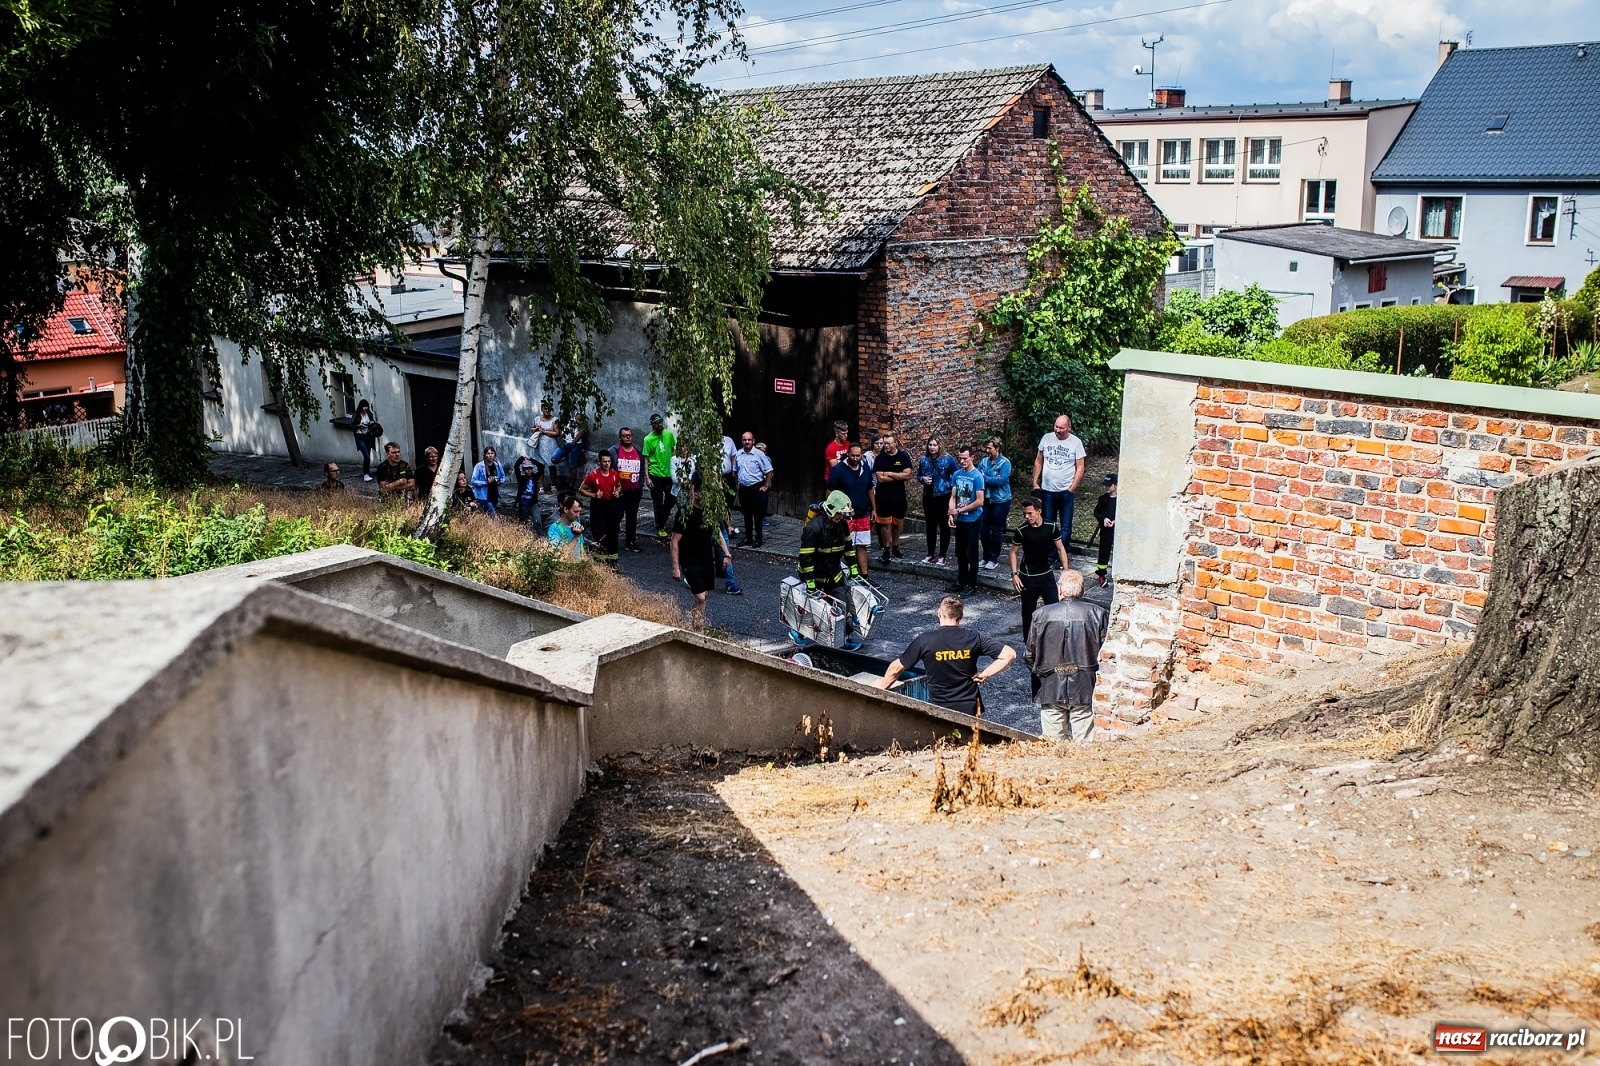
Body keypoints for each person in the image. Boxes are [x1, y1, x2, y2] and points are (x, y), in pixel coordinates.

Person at [874, 595, 1016, 716]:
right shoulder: (973, 637)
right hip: (970, 707)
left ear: (939, 613)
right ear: (961, 616)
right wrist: (986, 674)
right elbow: (1009, 654)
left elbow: (895, 669)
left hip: (940, 709)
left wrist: (881, 687)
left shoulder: (925, 640)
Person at [1027, 569, 1107, 742]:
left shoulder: (1040, 615)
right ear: (1082, 590)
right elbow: (1105, 656)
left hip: (1051, 685)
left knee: (1053, 744)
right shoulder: (1097, 613)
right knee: (1084, 745)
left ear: (1060, 590)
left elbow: (1029, 655)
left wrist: (1044, 675)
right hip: (1085, 687)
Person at [1009, 496, 1069, 694]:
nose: (1027, 517)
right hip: (1028, 577)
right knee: (1029, 613)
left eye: (1030, 513)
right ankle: (1030, 649)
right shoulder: (1021, 530)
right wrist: (1014, 574)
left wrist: (1066, 573)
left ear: (1039, 511)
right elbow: (1013, 552)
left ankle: (1056, 644)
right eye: (1025, 514)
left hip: (1046, 575)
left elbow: (1060, 548)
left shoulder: (1051, 527)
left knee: (1055, 609)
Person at [670, 477, 733, 630]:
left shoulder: (709, 512)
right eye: (704, 494)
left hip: (706, 559)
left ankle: (696, 626)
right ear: (696, 494)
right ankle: (694, 626)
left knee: (704, 596)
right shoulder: (684, 513)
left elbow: (717, 533)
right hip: (689, 560)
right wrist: (676, 567)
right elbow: (674, 542)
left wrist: (727, 554)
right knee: (700, 596)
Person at [1032, 414, 1086, 552]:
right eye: (1056, 426)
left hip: (1065, 491)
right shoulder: (1046, 438)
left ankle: (1058, 554)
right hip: (1047, 490)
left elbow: (1080, 468)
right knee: (1048, 524)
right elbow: (1038, 461)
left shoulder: (1076, 443)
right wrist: (1035, 482)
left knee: (1066, 526)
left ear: (1069, 428)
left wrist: (1072, 488)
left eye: (1061, 428)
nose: (1058, 430)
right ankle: (1049, 554)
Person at [827, 442, 875, 576]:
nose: (855, 458)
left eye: (858, 456)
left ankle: (864, 575)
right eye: (852, 455)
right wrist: (832, 512)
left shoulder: (866, 468)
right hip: (845, 515)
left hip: (863, 513)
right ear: (847, 454)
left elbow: (870, 489)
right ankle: (843, 575)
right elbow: (830, 491)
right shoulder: (838, 470)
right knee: (843, 546)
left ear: (861, 455)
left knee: (862, 545)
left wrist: (874, 509)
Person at [798, 490, 858, 595]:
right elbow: (806, 557)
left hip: (834, 575)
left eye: (843, 514)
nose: (841, 517)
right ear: (831, 510)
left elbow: (848, 548)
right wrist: (810, 581)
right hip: (815, 576)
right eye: (839, 513)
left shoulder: (842, 525)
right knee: (819, 606)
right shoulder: (813, 529)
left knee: (844, 603)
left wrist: (853, 566)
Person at [947, 445, 985, 595]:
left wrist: (960, 510)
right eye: (960, 458)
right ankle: (961, 580)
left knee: (972, 553)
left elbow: (980, 501)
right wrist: (951, 514)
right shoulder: (957, 475)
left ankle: (971, 584)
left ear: (972, 458)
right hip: (961, 519)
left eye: (965, 458)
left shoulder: (977, 476)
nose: (962, 461)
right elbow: (953, 496)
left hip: (973, 519)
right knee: (960, 552)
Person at [871, 433, 912, 565]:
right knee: (885, 523)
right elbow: (880, 479)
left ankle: (896, 547)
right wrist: (898, 476)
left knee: (896, 524)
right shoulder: (880, 458)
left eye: (888, 443)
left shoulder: (903, 456)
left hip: (899, 496)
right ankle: (886, 549)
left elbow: (907, 475)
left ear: (895, 443)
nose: (886, 446)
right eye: (884, 443)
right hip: (884, 496)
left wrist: (889, 473)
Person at [917, 437, 956, 565]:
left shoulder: (948, 459)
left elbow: (956, 475)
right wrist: (923, 479)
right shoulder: (924, 459)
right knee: (930, 526)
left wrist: (947, 485)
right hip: (928, 495)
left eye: (935, 445)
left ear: (940, 446)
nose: (932, 447)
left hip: (943, 495)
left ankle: (942, 555)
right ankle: (930, 553)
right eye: (930, 445)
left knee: (944, 526)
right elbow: (919, 475)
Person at [732, 431, 774, 548]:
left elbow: (769, 470)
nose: (747, 442)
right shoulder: (738, 454)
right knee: (746, 514)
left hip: (755, 487)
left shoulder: (759, 454)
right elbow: (735, 470)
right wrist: (737, 483)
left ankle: (758, 538)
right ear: (742, 441)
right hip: (743, 488)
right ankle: (748, 537)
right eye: (744, 440)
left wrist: (766, 485)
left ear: (753, 441)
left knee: (757, 515)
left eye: (749, 439)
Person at [977, 437, 1013, 571]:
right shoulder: (984, 461)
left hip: (1001, 500)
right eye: (986, 448)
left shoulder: (1005, 463)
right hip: (986, 499)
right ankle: (985, 556)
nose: (987, 450)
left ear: (997, 448)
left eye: (990, 448)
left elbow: (1000, 480)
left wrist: (985, 478)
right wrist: (990, 478)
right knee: (983, 529)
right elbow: (978, 475)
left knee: (996, 530)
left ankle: (993, 558)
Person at [609, 427, 645, 552]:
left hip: (634, 492)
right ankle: (612, 541)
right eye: (625, 436)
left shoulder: (638, 451)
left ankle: (630, 542)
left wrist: (640, 485)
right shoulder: (613, 451)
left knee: (632, 518)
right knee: (616, 517)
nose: (628, 437)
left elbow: (642, 469)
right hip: (619, 493)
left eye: (629, 435)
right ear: (620, 438)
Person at [579, 449, 621, 556]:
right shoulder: (592, 475)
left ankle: (613, 559)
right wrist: (594, 495)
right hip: (598, 506)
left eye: (609, 461)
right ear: (599, 462)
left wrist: (617, 492)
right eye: (604, 461)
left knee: (613, 532)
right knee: (600, 532)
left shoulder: (615, 474)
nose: (607, 464)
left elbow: (619, 486)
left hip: (611, 505)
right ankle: (601, 557)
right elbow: (581, 490)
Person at [643, 413, 676, 541]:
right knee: (658, 501)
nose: (659, 425)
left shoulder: (668, 434)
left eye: (660, 422)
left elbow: (673, 451)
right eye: (656, 423)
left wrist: (676, 468)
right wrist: (647, 477)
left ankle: (663, 519)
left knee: (671, 499)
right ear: (652, 425)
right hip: (655, 474)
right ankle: (660, 527)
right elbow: (646, 459)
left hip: (668, 474)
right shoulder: (648, 439)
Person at [530, 401, 562, 492]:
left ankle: (553, 485)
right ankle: (541, 486)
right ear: (542, 409)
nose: (547, 410)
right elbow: (532, 428)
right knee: (540, 465)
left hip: (551, 444)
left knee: (552, 465)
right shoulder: (537, 419)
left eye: (549, 409)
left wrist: (544, 431)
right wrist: (535, 429)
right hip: (540, 444)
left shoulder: (554, 419)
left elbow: (557, 433)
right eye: (545, 409)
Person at [1094, 472, 1117, 586]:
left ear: (1116, 485)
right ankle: (1101, 574)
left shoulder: (1122, 500)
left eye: (1109, 485)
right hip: (1106, 530)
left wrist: (1116, 521)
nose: (1107, 487)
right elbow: (1097, 512)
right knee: (1104, 551)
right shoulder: (1103, 499)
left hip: (1117, 531)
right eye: (1106, 485)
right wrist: (1103, 519)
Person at [470, 446, 506, 517]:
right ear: (484, 455)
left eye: (492, 453)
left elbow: (503, 477)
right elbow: (473, 481)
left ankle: (486, 522)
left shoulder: (498, 465)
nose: (490, 455)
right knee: (492, 514)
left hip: (495, 493)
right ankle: (496, 524)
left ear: (494, 455)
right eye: (488, 453)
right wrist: (486, 482)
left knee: (489, 513)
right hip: (484, 495)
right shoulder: (479, 466)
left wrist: (499, 481)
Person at [547, 493, 585, 561]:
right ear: (566, 509)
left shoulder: (577, 524)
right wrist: (576, 537)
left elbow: (581, 548)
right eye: (575, 512)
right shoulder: (554, 529)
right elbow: (559, 555)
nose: (578, 515)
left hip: (580, 565)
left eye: (579, 512)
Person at [352, 399, 377, 481]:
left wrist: (372, 423)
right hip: (360, 436)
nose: (365, 408)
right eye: (364, 407)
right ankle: (366, 475)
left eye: (366, 406)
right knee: (366, 456)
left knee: (368, 456)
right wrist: (359, 425)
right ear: (360, 407)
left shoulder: (369, 414)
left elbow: (373, 422)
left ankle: (367, 474)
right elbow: (352, 425)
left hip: (368, 436)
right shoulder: (356, 415)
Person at [513, 456, 543, 525]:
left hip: (533, 504)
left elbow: (541, 467)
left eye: (530, 468)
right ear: (523, 469)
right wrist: (521, 458)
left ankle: (538, 531)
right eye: (526, 468)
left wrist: (531, 459)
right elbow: (516, 467)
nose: (528, 470)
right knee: (522, 522)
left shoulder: (534, 477)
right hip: (524, 503)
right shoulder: (521, 478)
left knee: (538, 521)